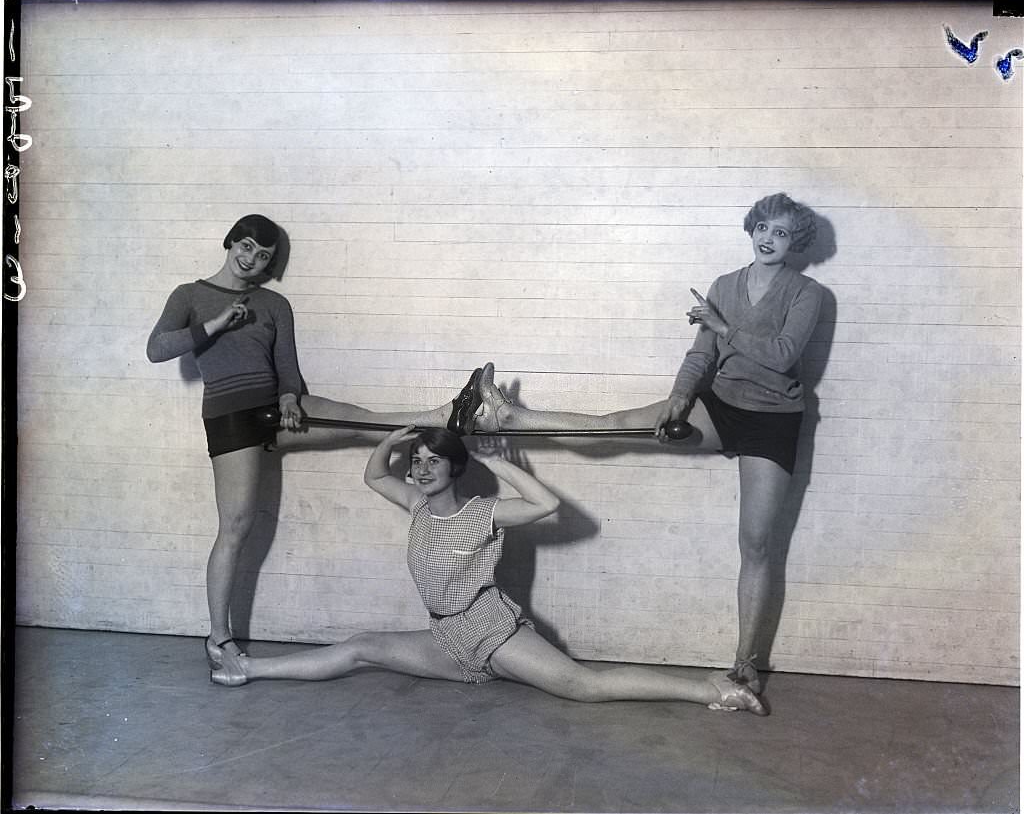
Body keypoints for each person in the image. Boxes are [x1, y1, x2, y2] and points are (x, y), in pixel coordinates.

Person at [472, 193, 824, 695]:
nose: (769, 239)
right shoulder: (725, 285)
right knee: (615, 426)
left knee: (757, 543)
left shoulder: (807, 292)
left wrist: (724, 326)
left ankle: (744, 664)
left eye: (782, 233)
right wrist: (681, 397)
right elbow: (701, 352)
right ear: (752, 229)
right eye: (763, 228)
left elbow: (785, 356)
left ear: (796, 241)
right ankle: (511, 415)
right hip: (720, 406)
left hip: (773, 421)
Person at [209, 427, 767, 715]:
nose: (423, 469)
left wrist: (494, 460)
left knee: (582, 686)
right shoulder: (416, 504)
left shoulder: (484, 512)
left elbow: (547, 506)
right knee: (360, 646)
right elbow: (375, 477)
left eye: (435, 461)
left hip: (490, 629)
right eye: (418, 462)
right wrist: (390, 443)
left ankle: (714, 689)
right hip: (446, 636)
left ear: (456, 467)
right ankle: (250, 670)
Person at [146, 214, 488, 670]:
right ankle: (218, 639)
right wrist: (216, 325)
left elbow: (287, 366)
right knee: (236, 527)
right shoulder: (190, 295)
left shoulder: (273, 304)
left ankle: (450, 414)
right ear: (230, 243)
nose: (251, 260)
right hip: (231, 419)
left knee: (360, 421)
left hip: (277, 408)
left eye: (263, 256)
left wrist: (290, 397)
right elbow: (156, 349)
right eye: (246, 247)